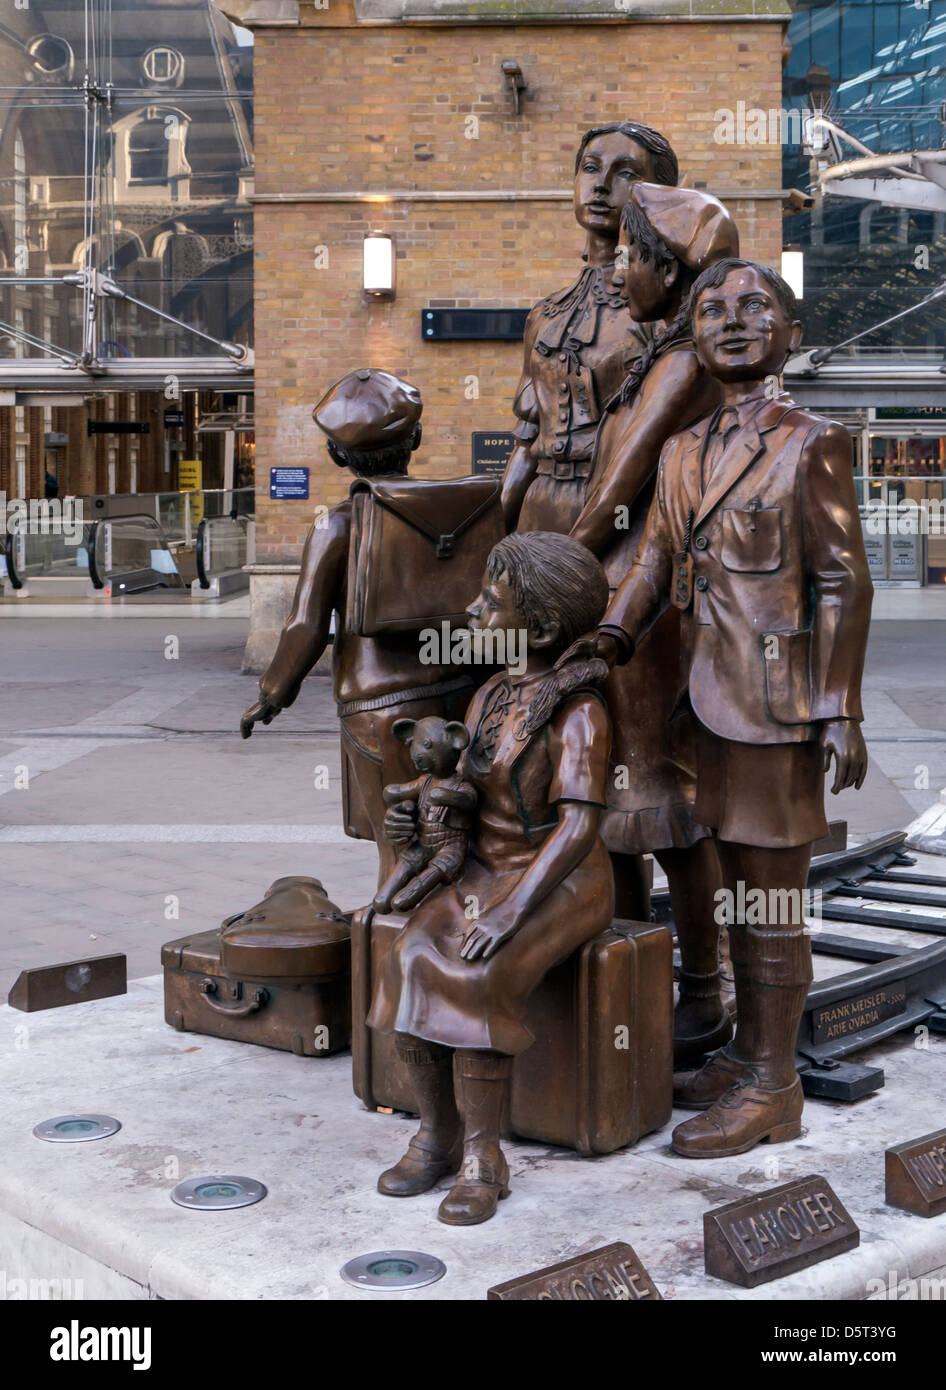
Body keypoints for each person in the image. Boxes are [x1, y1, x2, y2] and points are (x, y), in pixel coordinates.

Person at [561, 260, 872, 1158]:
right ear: (692, 337)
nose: (731, 322)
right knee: (735, 895)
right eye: (711, 310)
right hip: (701, 714)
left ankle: (776, 1088)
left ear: (790, 333)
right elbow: (654, 564)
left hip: (776, 713)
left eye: (754, 307)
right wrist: (610, 638)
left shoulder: (812, 441)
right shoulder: (679, 452)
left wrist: (838, 707)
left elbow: (843, 583)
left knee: (773, 904)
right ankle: (745, 1054)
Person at [368, 532, 614, 1225]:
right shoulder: (488, 696)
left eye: (490, 602)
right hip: (484, 868)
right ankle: (436, 1133)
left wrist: (508, 913)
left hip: (559, 878)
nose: (473, 611)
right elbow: (464, 791)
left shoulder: (581, 711)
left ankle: (484, 1155)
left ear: (536, 626)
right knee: (412, 954)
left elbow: (578, 828)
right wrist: (421, 824)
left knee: (479, 975)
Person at [569, 182, 740, 1063]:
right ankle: (633, 967)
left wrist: (551, 572)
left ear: (668, 272)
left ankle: (702, 988)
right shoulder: (655, 353)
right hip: (625, 589)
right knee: (622, 797)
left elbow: (614, 492)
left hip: (649, 597)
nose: (622, 271)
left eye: (635, 258)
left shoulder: (680, 366)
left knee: (656, 794)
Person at [240, 369, 476, 883]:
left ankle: (396, 950)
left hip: (380, 707)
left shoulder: (336, 525)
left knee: (402, 850)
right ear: (415, 439)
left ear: (336, 455)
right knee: (459, 841)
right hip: (462, 691)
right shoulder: (461, 511)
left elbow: (305, 624)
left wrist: (272, 693)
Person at [500, 120, 678, 535]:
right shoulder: (545, 315)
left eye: (627, 172)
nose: (601, 185)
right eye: (591, 168)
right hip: (540, 513)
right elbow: (527, 445)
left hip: (630, 518)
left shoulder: (665, 311)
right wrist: (495, 539)